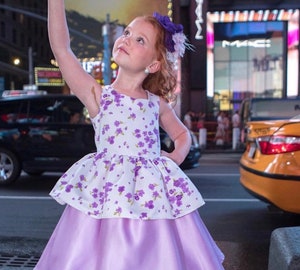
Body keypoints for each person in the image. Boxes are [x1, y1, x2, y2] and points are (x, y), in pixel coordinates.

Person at [35, 1, 225, 269]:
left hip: (153, 199)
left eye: (140, 39)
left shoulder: (156, 103)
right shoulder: (98, 95)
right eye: (126, 32)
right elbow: (62, 50)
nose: (126, 39)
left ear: (154, 64)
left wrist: (175, 158)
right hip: (107, 197)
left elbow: (183, 134)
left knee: (158, 256)